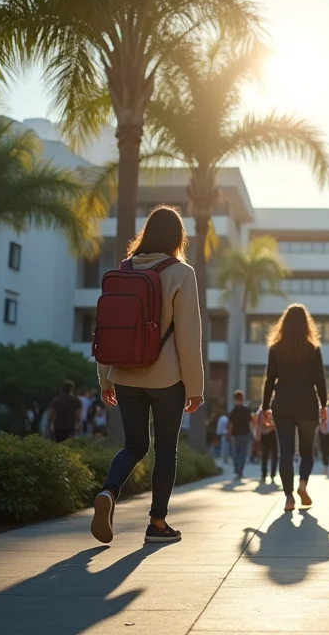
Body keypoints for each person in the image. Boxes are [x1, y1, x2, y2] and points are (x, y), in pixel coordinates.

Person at [91, 206, 204, 545]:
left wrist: (105, 378)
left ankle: (109, 492)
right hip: (166, 377)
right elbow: (187, 335)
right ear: (177, 237)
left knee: (134, 444)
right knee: (165, 449)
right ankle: (157, 523)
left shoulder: (123, 270)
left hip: (124, 373)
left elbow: (108, 328)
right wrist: (195, 387)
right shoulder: (181, 273)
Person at [261, 304, 327, 512]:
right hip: (307, 403)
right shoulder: (313, 349)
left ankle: (289, 498)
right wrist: (324, 404)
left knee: (286, 453)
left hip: (283, 403)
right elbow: (320, 380)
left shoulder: (276, 349)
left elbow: (269, 379)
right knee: (307, 452)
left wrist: (264, 407)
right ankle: (302, 484)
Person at [228, 391, 253, 479]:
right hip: (245, 433)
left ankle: (236, 470)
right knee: (243, 453)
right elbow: (251, 422)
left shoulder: (233, 411)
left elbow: (230, 424)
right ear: (242, 399)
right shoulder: (246, 410)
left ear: (235, 399)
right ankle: (240, 471)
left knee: (235, 453)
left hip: (235, 434)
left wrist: (229, 434)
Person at [256, 405, 278, 483]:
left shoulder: (260, 412)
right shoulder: (274, 410)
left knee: (265, 455)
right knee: (274, 455)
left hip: (264, 435)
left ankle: (264, 474)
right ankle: (272, 474)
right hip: (273, 433)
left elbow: (258, 426)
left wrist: (257, 437)